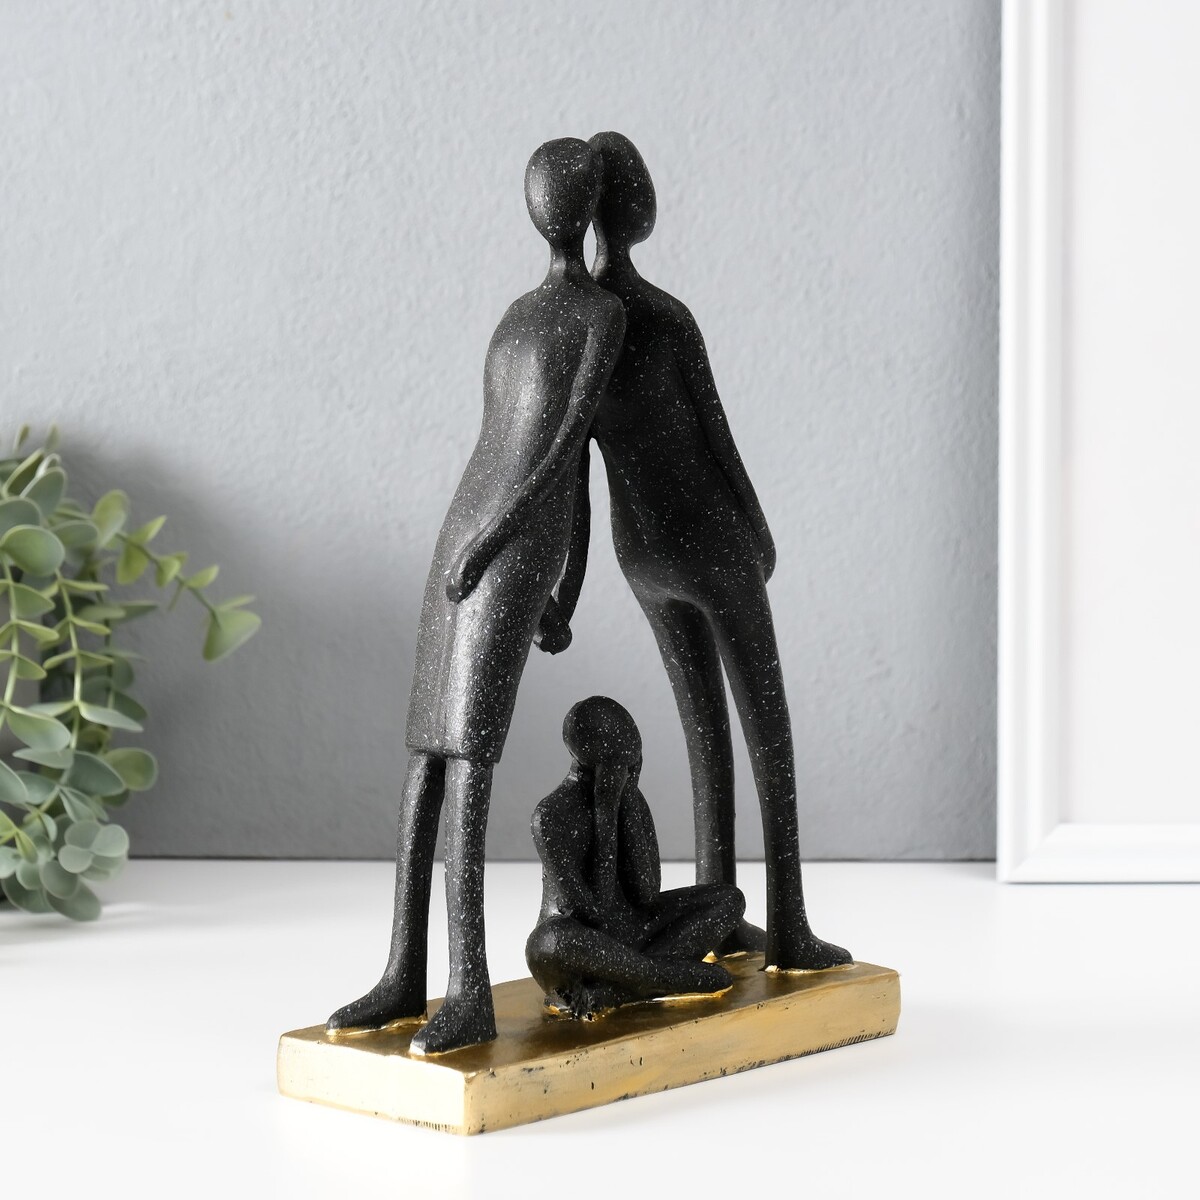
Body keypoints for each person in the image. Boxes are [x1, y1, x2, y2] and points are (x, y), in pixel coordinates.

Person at [326, 140, 625, 1055]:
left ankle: (470, 992)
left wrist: (551, 573)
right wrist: (485, 542)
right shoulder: (517, 311)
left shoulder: (602, 315)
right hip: (468, 528)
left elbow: (569, 451)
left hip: (508, 540)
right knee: (427, 751)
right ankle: (402, 971)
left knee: (470, 755)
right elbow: (505, 438)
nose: (552, 210)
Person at [585, 131, 850, 971]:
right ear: (638, 211)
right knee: (766, 728)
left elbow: (574, 468)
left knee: (703, 729)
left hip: (640, 549)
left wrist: (569, 582)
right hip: (709, 538)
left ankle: (718, 910)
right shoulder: (664, 318)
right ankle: (789, 922)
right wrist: (758, 529)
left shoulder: (580, 328)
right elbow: (717, 438)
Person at [526, 696, 744, 1018]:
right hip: (585, 945)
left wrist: (625, 803)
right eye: (621, 764)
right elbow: (592, 913)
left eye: (635, 760)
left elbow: (646, 893)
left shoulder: (632, 799)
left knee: (729, 900)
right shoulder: (550, 815)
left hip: (636, 932)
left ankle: (616, 991)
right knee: (547, 943)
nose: (630, 770)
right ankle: (660, 977)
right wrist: (604, 814)